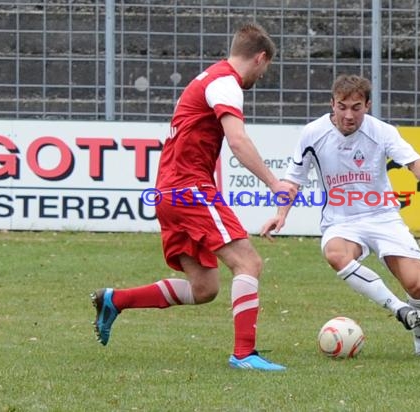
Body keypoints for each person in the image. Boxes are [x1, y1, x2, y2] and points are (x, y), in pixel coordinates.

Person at [91, 22, 296, 371]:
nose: (262, 75)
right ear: (260, 58)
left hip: (169, 192)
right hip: (190, 189)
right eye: (266, 67)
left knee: (204, 288)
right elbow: (238, 140)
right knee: (249, 263)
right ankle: (244, 354)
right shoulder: (226, 84)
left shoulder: (209, 79)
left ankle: (115, 300)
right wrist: (274, 183)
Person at [261, 74, 420, 359]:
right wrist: (281, 214)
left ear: (367, 105)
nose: (348, 115)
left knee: (418, 285)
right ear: (332, 104)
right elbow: (293, 179)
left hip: (382, 216)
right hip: (341, 221)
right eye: (342, 106)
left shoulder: (381, 131)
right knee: (335, 252)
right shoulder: (313, 133)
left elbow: (412, 160)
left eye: (356, 107)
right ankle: (397, 308)